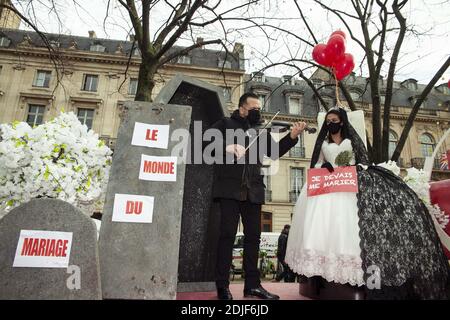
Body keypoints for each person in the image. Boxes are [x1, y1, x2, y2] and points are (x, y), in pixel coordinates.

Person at [285, 106, 450, 299]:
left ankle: (351, 270)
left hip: (348, 183)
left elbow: (363, 160)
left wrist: (352, 168)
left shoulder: (351, 140)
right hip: (328, 185)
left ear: (342, 121)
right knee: (323, 225)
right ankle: (322, 270)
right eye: (328, 120)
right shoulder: (323, 142)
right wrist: (325, 166)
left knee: (349, 225)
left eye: (334, 120)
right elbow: (316, 163)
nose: (331, 123)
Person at [207, 92, 306, 300]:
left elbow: (275, 152)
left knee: (253, 238)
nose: (258, 112)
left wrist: (293, 136)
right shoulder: (225, 124)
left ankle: (252, 285)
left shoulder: (259, 131)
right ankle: (222, 286)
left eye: (260, 109)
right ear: (242, 108)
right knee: (227, 236)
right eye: (254, 108)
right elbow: (204, 144)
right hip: (229, 189)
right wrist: (227, 146)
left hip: (253, 189)